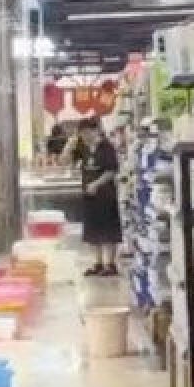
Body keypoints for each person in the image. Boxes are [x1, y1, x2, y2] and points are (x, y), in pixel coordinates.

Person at [75, 118, 122, 276]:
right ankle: (98, 262)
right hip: (89, 195)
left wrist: (96, 184)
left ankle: (110, 264)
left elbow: (111, 170)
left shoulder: (106, 147)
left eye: (87, 133)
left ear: (96, 131)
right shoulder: (85, 148)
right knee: (93, 230)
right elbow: (64, 160)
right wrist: (68, 146)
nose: (84, 136)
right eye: (82, 134)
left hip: (105, 195)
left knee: (108, 229)